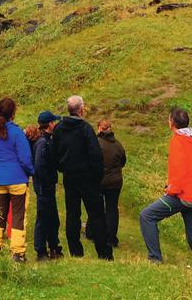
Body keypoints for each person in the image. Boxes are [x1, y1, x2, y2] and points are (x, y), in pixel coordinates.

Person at [139, 107, 192, 273]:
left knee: (147, 216)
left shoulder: (177, 141)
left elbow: (179, 169)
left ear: (172, 123)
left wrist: (172, 189)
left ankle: (155, 259)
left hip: (181, 194)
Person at [51, 95, 113, 260]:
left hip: (69, 177)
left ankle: (76, 252)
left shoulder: (59, 128)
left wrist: (62, 168)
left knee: (72, 214)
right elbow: (95, 155)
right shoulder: (85, 129)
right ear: (81, 110)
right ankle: (104, 254)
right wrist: (97, 176)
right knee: (97, 215)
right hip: (88, 178)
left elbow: (54, 153)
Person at [0, 97, 34, 262]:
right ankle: (17, 252)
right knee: (17, 215)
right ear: (13, 113)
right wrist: (30, 172)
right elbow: (25, 158)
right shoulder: (17, 132)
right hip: (17, 179)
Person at [32, 110, 64, 261]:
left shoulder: (45, 140)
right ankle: (41, 251)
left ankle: (53, 246)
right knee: (43, 218)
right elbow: (38, 166)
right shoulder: (43, 143)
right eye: (54, 122)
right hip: (44, 187)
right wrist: (47, 182)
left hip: (46, 186)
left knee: (52, 218)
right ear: (50, 124)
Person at [95, 119, 127, 247]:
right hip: (115, 181)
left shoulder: (96, 143)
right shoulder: (118, 145)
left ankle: (94, 233)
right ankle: (112, 238)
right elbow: (123, 161)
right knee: (112, 209)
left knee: (96, 207)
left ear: (99, 128)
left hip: (99, 180)